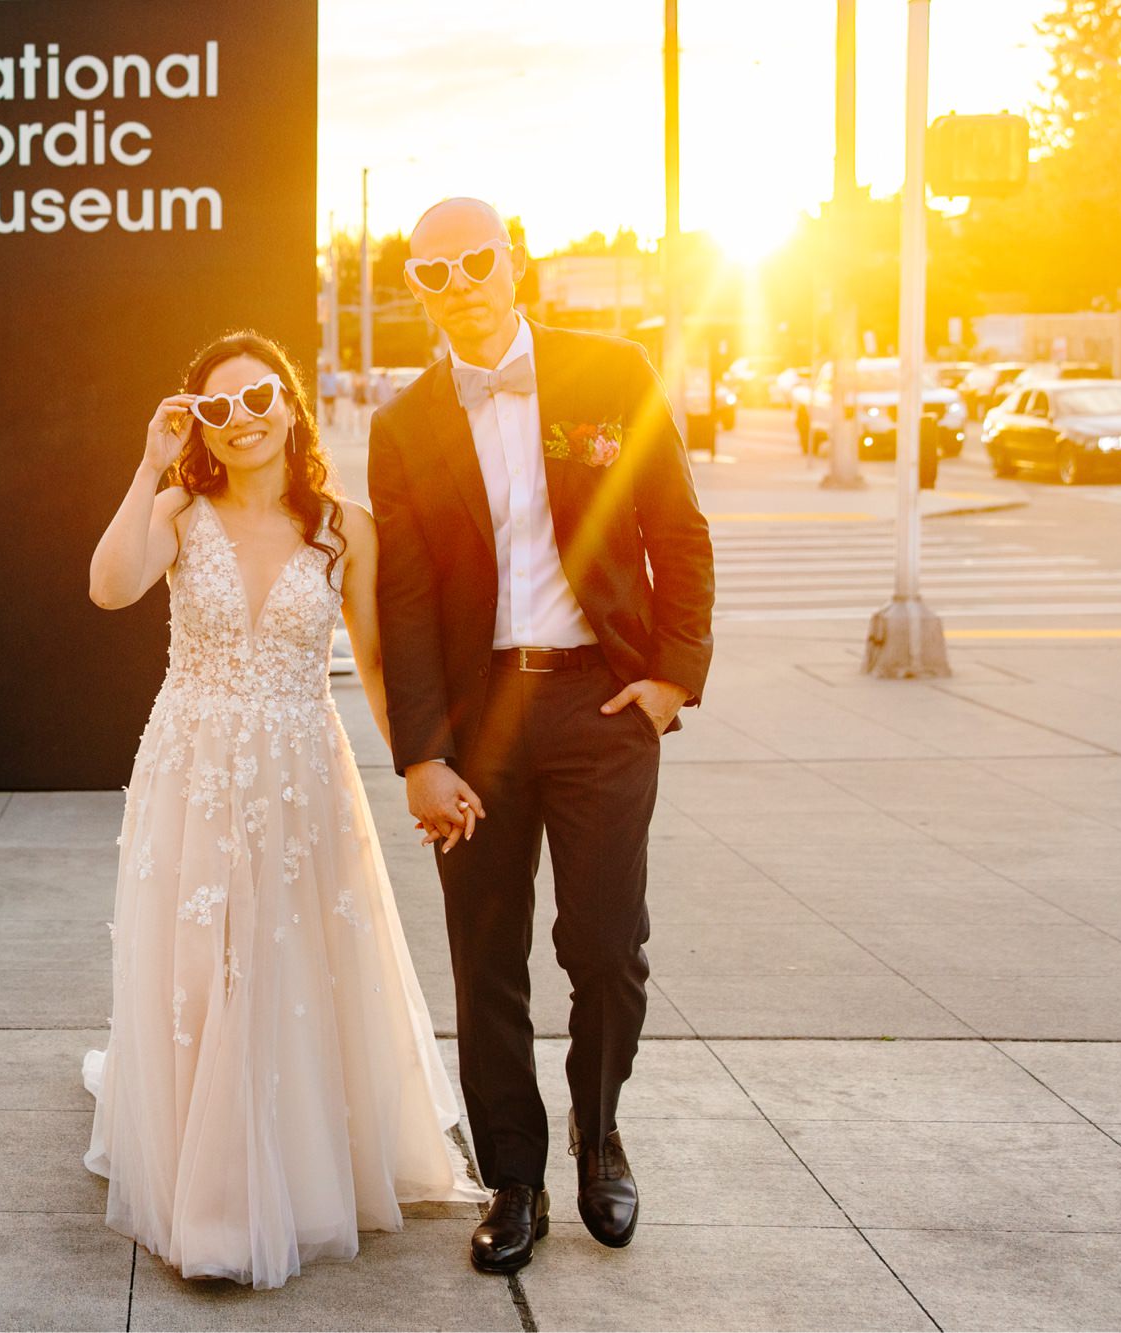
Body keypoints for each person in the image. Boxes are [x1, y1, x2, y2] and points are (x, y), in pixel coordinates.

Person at [84, 330, 481, 1290]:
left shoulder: (346, 525)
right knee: (204, 960)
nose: (242, 421)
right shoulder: (180, 509)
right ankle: (214, 1201)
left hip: (303, 768)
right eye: (216, 410)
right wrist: (147, 466)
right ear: (199, 428)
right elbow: (108, 587)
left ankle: (290, 1171)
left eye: (258, 398)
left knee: (285, 956)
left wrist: (421, 769)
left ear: (291, 402)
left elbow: (379, 669)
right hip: (195, 764)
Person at [369, 199, 714, 1273]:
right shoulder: (402, 422)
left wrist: (669, 677)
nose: (460, 282)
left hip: (598, 705)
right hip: (476, 726)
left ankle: (597, 1135)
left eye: (475, 260)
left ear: (511, 263)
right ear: (416, 290)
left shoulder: (608, 371)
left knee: (605, 947)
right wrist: (421, 753)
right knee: (484, 959)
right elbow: (407, 603)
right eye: (433, 271)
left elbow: (676, 528)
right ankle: (511, 1178)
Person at [317, 362, 340, 426]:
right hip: (330, 394)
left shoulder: (325, 376)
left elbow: (321, 385)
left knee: (329, 407)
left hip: (328, 394)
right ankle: (329, 419)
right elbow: (336, 384)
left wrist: (320, 393)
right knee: (330, 407)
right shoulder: (326, 376)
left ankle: (329, 418)